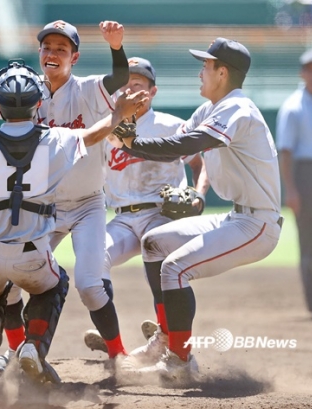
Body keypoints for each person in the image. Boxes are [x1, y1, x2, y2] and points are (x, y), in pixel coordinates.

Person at [0, 61, 148, 385]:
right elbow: (93, 136)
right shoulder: (53, 140)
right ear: (39, 103)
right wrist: (118, 114)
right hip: (32, 253)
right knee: (54, 286)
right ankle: (33, 347)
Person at [108, 38, 283, 386]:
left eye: (205, 65)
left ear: (222, 72)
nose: (200, 71)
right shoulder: (212, 109)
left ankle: (180, 362)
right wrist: (126, 124)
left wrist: (130, 141)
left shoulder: (238, 109)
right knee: (154, 242)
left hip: (258, 223)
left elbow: (186, 145)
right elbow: (178, 146)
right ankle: (166, 338)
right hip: (237, 216)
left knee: (175, 269)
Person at [0, 20, 132, 367]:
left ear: (75, 57)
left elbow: (118, 79)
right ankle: (15, 352)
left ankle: (119, 356)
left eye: (61, 48)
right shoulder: (26, 93)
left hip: (87, 205)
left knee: (89, 285)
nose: (52, 53)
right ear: (39, 53)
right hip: (44, 207)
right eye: (47, 47)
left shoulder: (87, 89)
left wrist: (116, 47)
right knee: (10, 285)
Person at [82, 57, 209, 359]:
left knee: (161, 260)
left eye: (137, 85)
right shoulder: (105, 130)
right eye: (124, 85)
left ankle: (166, 336)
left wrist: (197, 193)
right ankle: (117, 352)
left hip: (161, 213)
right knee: (92, 263)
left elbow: (199, 164)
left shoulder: (171, 125)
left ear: (153, 92)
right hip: (122, 219)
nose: (129, 90)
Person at [276, 48, 312, 320]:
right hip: (306, 176)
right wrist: (291, 190)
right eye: (310, 69)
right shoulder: (293, 107)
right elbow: (286, 151)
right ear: (302, 73)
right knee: (309, 243)